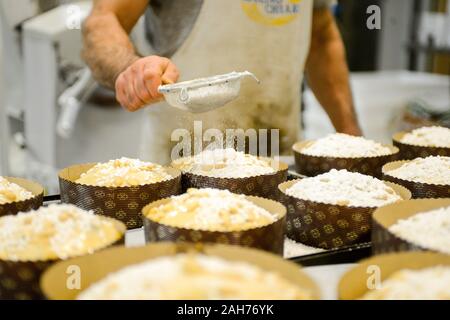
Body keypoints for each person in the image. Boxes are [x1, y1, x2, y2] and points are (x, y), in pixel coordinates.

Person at [82, 0, 362, 164]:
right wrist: (129, 67)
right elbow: (103, 19)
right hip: (181, 167)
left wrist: (353, 139)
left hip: (278, 160)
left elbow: (321, 35)